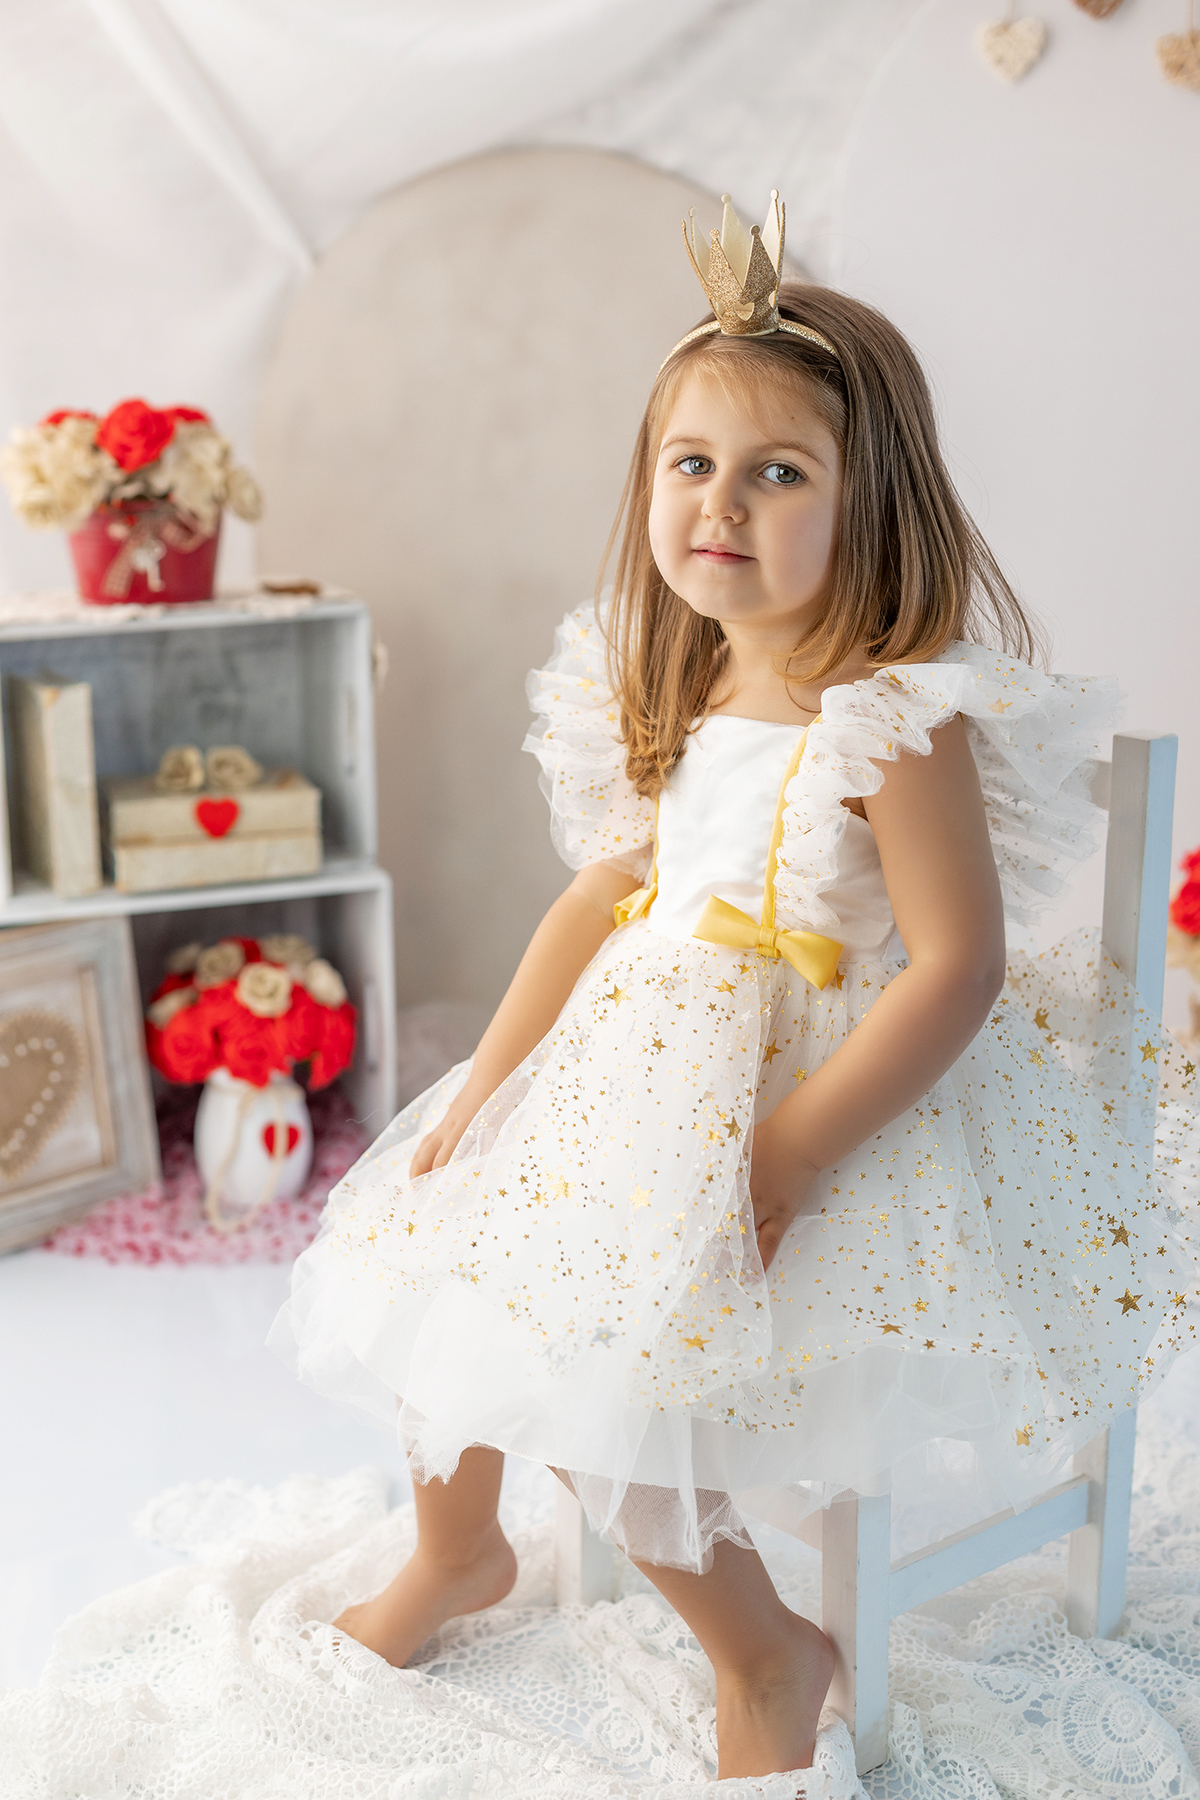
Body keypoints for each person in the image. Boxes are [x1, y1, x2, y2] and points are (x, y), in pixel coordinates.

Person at [271, 194, 1191, 1780]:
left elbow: (958, 963)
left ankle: (764, 1652)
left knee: (606, 1363)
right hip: (636, 1074)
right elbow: (601, 896)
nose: (722, 504)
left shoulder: (893, 717)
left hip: (817, 1090)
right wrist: (488, 1084)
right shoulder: (680, 672)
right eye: (691, 464)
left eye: (779, 473)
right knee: (452, 1256)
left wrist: (792, 1151)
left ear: (869, 502)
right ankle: (456, 1551)